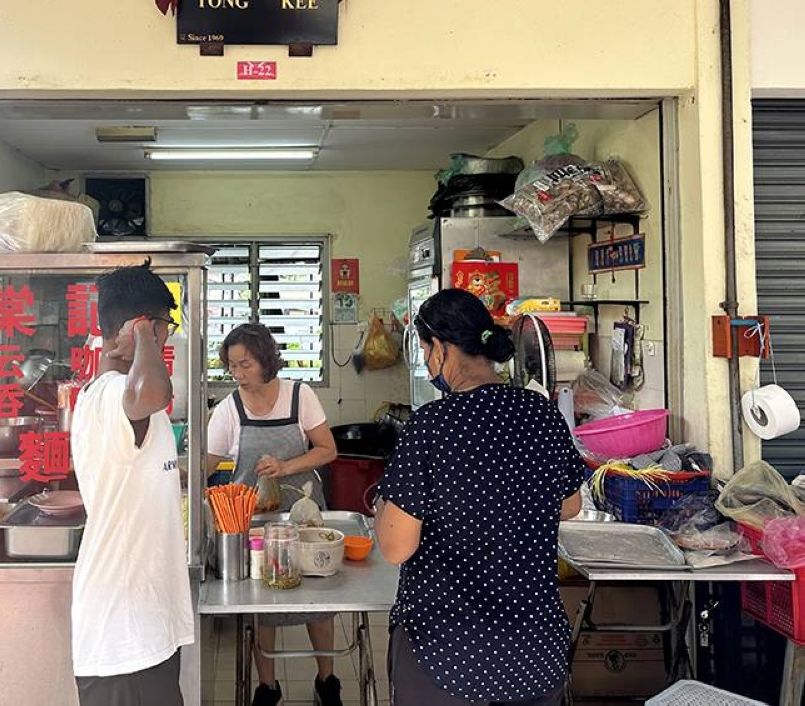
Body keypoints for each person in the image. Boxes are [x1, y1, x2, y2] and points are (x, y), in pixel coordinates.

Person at [375, 288, 585, 706]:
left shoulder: (432, 425)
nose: (426, 361)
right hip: (533, 649)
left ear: (441, 347)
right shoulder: (540, 413)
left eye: (424, 349)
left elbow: (397, 546)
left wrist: (384, 506)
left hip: (447, 648)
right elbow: (570, 504)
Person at [71, 264, 195, 706]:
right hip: (124, 632)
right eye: (165, 325)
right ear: (146, 324)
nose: (167, 336)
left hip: (141, 626)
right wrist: (144, 335)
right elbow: (151, 394)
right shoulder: (111, 394)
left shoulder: (114, 394)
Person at [206, 322, 342, 706]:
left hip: (303, 515)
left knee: (318, 602)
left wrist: (285, 466)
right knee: (261, 607)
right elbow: (208, 461)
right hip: (253, 520)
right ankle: (268, 687)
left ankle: (326, 681)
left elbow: (327, 449)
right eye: (232, 366)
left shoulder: (300, 396)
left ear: (266, 360)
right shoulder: (229, 408)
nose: (238, 374)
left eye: (245, 364)